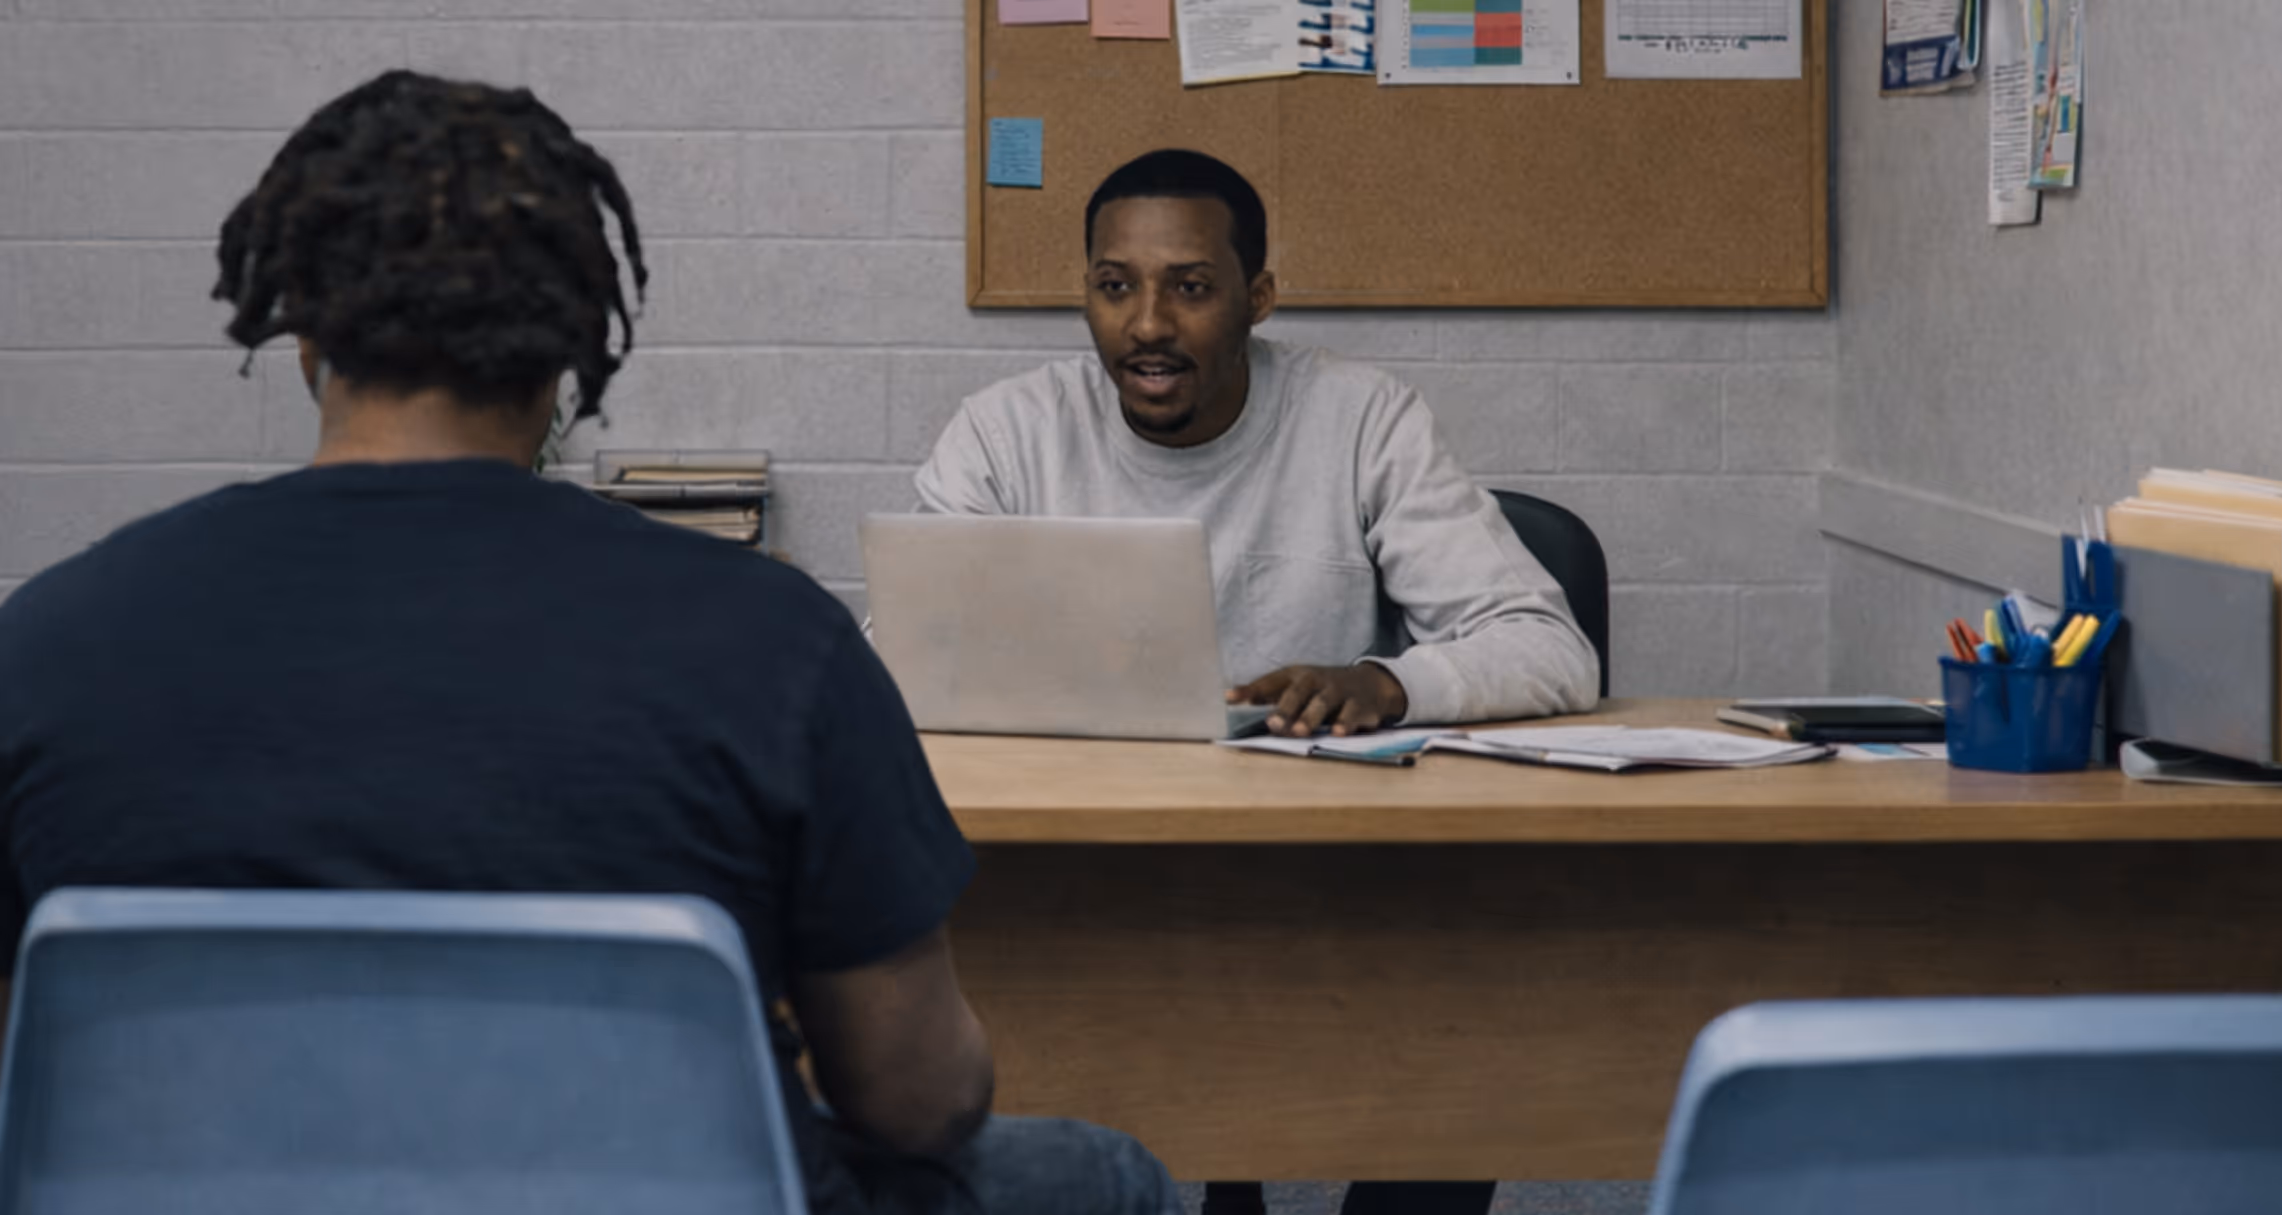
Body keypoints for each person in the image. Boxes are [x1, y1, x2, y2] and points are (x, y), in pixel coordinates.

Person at [0, 71, 1177, 1215]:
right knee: (1105, 1175)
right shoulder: (775, 648)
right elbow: (919, 1102)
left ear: (304, 336)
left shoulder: (49, 646)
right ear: (569, 354)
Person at [913, 149, 1599, 744]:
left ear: (1258, 298)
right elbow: (902, 654)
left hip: (1303, 819)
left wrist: (1386, 685)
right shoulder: (1005, 433)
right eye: (1115, 287)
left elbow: (1551, 652)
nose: (1148, 324)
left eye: (1191, 288)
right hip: (1073, 806)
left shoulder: (1365, 421)